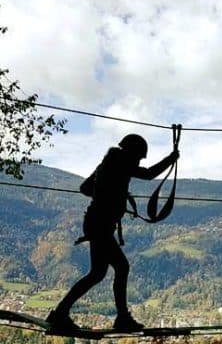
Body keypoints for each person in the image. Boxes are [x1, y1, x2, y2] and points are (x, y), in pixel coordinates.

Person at [47, 134, 179, 331]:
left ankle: (61, 313)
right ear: (132, 152)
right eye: (139, 157)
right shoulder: (121, 160)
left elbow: (85, 188)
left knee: (97, 274)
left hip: (96, 223)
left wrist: (110, 194)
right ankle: (121, 318)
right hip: (100, 225)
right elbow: (149, 174)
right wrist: (171, 158)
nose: (138, 161)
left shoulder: (108, 162)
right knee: (120, 267)